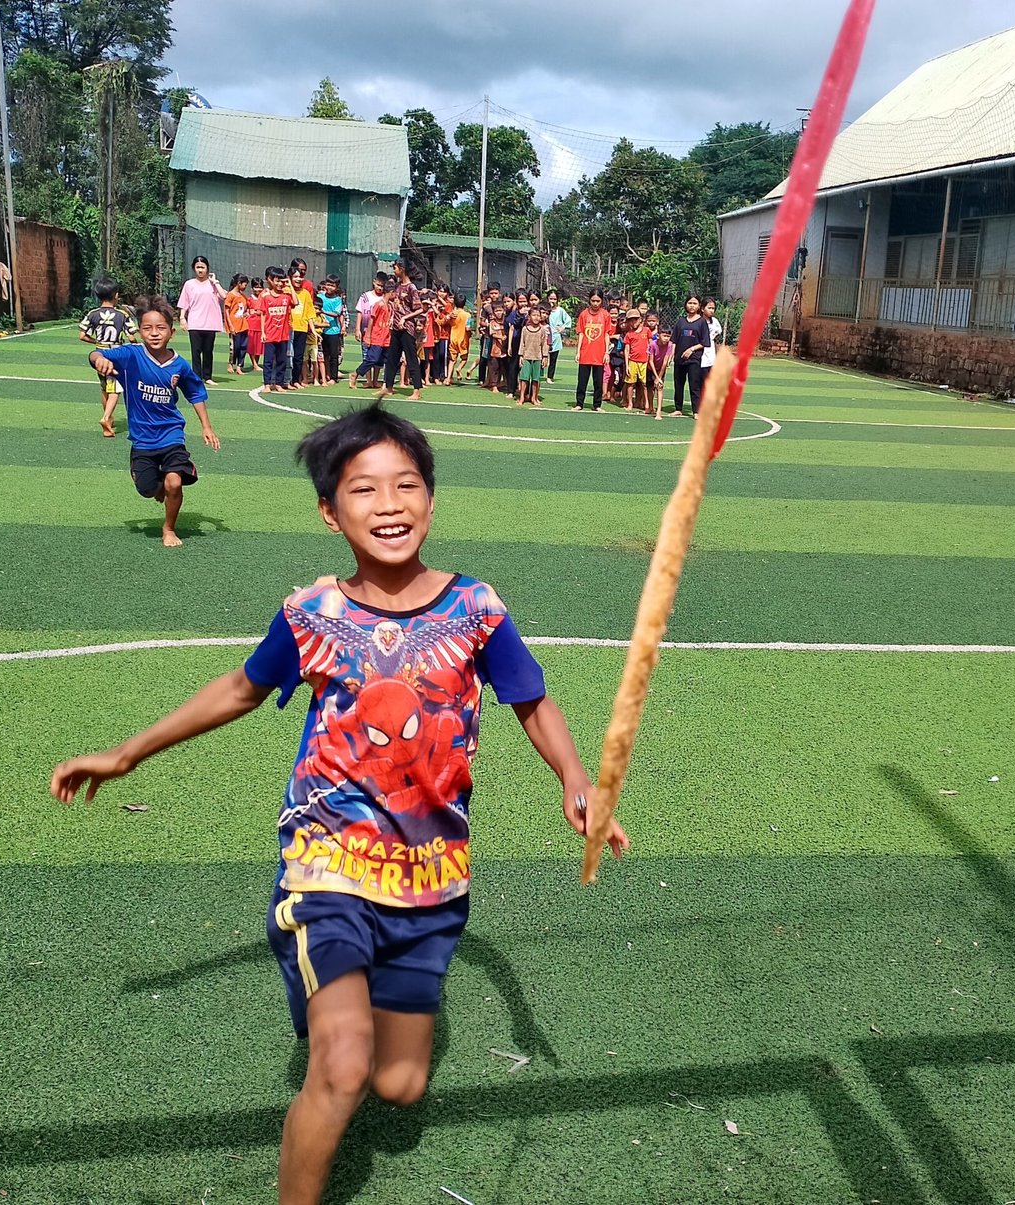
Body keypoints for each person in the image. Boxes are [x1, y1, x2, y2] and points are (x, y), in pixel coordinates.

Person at [49, 404, 628, 1203]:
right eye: (364, 489)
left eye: (407, 484)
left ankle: (354, 1001)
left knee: (400, 1083)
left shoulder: (477, 609)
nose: (389, 504)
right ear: (330, 511)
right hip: (327, 863)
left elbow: (532, 699)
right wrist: (126, 753)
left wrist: (574, 778)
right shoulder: (313, 615)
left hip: (432, 879)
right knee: (345, 1064)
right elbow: (239, 688)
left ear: (432, 498)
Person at [88, 296, 221, 548]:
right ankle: (157, 486)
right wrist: (99, 359)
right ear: (139, 331)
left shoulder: (179, 365)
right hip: (142, 440)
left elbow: (195, 393)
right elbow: (95, 353)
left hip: (171, 435)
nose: (154, 333)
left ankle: (169, 528)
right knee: (147, 489)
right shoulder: (131, 355)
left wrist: (206, 426)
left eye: (160, 327)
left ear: (172, 332)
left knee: (175, 482)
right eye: (147, 328)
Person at [79, 278, 140, 438]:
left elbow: (82, 335)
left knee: (105, 388)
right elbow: (132, 337)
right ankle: (106, 417)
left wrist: (96, 341)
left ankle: (109, 417)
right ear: (116, 295)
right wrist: (135, 346)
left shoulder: (92, 314)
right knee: (116, 388)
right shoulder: (122, 314)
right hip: (116, 355)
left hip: (99, 354)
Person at [378, 259, 426, 401]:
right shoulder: (397, 286)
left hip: (407, 329)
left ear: (402, 269)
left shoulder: (411, 288)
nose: (394, 270)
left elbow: (419, 309)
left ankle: (416, 390)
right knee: (392, 358)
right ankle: (388, 387)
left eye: (395, 267)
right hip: (396, 327)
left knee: (411, 359)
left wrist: (405, 318)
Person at [176, 256, 225, 383]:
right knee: (196, 351)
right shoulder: (189, 284)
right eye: (198, 267)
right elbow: (184, 302)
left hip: (210, 323)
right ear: (194, 268)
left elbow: (224, 296)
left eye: (202, 267)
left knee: (208, 351)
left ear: (207, 268)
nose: (200, 270)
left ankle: (207, 377)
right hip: (195, 322)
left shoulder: (213, 284)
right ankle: (197, 377)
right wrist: (182, 318)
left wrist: (215, 282)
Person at [259, 267, 299, 394]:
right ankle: (267, 384)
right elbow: (263, 315)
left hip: (283, 335)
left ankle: (279, 384)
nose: (280, 284)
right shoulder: (266, 297)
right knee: (268, 361)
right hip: (270, 335)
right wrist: (263, 332)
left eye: (282, 281)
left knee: (282, 361)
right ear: (271, 280)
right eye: (277, 281)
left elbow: (296, 302)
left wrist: (290, 285)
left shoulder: (286, 296)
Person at [670, 295, 710, 418]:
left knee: (694, 385)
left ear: (699, 306)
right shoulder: (681, 321)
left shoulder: (702, 322)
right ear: (686, 305)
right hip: (679, 359)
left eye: (695, 303)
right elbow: (674, 340)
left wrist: (691, 349)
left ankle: (696, 411)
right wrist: (671, 355)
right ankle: (678, 408)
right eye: (690, 303)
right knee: (678, 384)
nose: (692, 306)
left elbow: (704, 342)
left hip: (694, 359)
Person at [572, 289, 611, 411]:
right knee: (582, 381)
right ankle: (579, 403)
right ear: (589, 300)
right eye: (593, 300)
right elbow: (581, 333)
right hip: (585, 353)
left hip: (599, 354)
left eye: (598, 301)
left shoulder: (605, 315)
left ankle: (597, 405)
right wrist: (578, 351)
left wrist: (606, 352)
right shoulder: (584, 314)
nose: (595, 303)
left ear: (602, 301)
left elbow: (606, 334)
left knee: (598, 382)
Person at [355, 274, 392, 389]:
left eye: (382, 286)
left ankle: (375, 380)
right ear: (374, 282)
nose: (380, 288)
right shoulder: (365, 296)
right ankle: (368, 380)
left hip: (383, 334)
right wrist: (357, 329)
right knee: (368, 356)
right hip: (368, 331)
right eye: (378, 285)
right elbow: (360, 312)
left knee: (379, 359)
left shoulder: (386, 300)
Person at [517, 306, 550, 407]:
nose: (536, 317)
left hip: (538, 357)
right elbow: (522, 343)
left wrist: (545, 356)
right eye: (534, 315)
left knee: (536, 379)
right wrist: (521, 356)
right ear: (529, 317)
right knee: (524, 378)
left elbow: (545, 344)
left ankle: (534, 398)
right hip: (527, 356)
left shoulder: (542, 330)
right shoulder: (525, 329)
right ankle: (522, 397)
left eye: (538, 315)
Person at [290, 265, 316, 390]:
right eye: (295, 277)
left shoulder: (305, 293)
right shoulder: (285, 291)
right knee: (287, 356)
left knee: (298, 357)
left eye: (300, 277)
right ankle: (283, 380)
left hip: (301, 329)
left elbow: (310, 313)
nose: (298, 279)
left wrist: (314, 330)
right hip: (288, 329)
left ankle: (295, 380)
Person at [621, 309, 650, 412]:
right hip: (632, 361)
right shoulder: (629, 334)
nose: (633, 322)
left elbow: (650, 345)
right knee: (630, 383)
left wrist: (650, 360)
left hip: (644, 361)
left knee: (644, 384)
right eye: (630, 320)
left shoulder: (646, 331)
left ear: (640, 319)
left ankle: (646, 404)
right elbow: (627, 349)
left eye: (635, 319)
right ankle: (630, 403)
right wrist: (627, 364)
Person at [223, 274, 251, 376]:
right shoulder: (230, 295)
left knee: (244, 346)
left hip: (244, 325)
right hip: (234, 325)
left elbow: (246, 308)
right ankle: (231, 363)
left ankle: (239, 366)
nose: (245, 287)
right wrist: (230, 325)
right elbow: (227, 311)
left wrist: (247, 313)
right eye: (244, 284)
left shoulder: (243, 296)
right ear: (239, 283)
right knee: (235, 346)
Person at [320, 276, 346, 385]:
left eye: (332, 285)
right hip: (321, 330)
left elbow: (336, 313)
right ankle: (325, 375)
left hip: (333, 331)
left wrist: (323, 311)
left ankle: (333, 377)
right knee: (324, 354)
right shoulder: (320, 296)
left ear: (337, 287)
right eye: (328, 284)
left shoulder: (338, 299)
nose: (330, 287)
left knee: (333, 355)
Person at [545, 289, 571, 381]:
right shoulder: (545, 310)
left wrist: (562, 328)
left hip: (555, 338)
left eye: (554, 299)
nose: (552, 301)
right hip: (544, 336)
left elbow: (568, 320)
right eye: (550, 298)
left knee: (553, 359)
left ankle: (550, 377)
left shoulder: (560, 311)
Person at [647, 326, 673, 418]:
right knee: (650, 388)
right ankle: (650, 407)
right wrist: (656, 376)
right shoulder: (653, 344)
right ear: (658, 335)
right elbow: (650, 361)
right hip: (651, 368)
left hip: (661, 368)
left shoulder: (669, 345)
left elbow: (665, 362)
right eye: (664, 336)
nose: (666, 338)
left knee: (659, 387)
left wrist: (659, 377)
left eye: (668, 336)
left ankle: (658, 411)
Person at [446, 293, 470, 386]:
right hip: (463, 339)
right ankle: (459, 368)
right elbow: (468, 328)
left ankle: (448, 379)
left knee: (452, 360)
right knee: (464, 358)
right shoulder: (467, 315)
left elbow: (447, 321)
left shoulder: (453, 314)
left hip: (453, 338)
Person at [700, 298, 723, 377]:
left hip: (710, 353)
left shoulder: (714, 321)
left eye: (713, 308)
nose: (711, 311)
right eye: (709, 308)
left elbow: (718, 333)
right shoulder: (698, 321)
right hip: (700, 353)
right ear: (702, 309)